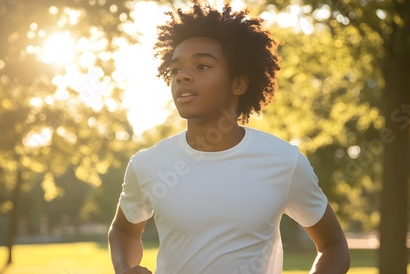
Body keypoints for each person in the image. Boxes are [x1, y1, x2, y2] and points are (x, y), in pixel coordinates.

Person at [108, 2, 351, 273]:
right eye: (176, 70)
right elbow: (123, 231)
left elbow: (333, 245)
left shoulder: (284, 162)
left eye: (202, 66)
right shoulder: (148, 165)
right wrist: (124, 268)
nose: (183, 76)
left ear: (238, 83)